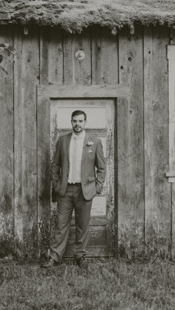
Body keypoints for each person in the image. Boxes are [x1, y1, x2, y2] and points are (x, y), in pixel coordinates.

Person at [42, 110, 106, 268]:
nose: (77, 124)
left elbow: (102, 168)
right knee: (60, 224)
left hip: (85, 191)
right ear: (71, 122)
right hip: (65, 190)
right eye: (75, 121)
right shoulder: (63, 140)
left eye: (80, 121)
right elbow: (55, 165)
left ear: (85, 122)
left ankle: (80, 256)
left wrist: (96, 188)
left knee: (82, 225)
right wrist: (56, 185)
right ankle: (54, 257)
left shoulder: (95, 142)